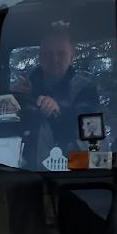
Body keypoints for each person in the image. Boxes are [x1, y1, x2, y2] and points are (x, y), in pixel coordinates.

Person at [10, 20, 103, 165]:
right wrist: (11, 101)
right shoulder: (25, 89)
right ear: (40, 56)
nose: (54, 59)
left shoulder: (85, 90)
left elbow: (92, 139)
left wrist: (59, 111)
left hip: (69, 169)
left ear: (72, 56)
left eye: (61, 53)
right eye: (48, 54)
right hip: (20, 169)